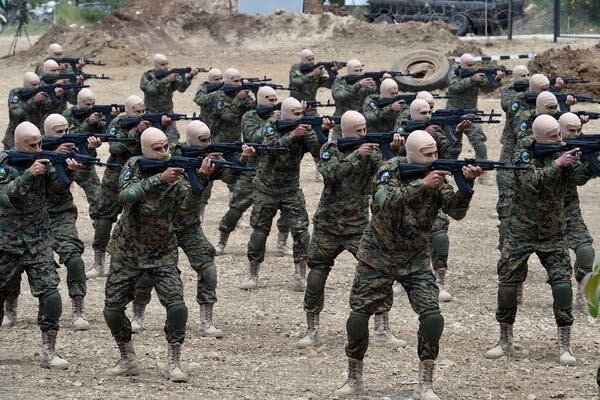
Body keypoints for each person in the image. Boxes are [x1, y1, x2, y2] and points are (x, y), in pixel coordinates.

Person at [335, 130, 482, 399]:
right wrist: (423, 184)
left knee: (432, 316)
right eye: (427, 154)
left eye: (436, 153)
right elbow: (384, 202)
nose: (434, 158)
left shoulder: (438, 176)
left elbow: (456, 212)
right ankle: (353, 377)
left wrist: (466, 186)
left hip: (414, 258)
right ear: (412, 155)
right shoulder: (388, 169)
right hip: (377, 255)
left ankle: (425, 383)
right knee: (358, 315)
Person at [103, 127, 214, 382]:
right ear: (144, 150)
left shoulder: (179, 171)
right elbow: (126, 195)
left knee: (177, 307)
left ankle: (174, 362)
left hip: (162, 250)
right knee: (112, 309)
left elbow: (188, 208)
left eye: (166, 146)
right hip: (127, 250)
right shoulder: (134, 164)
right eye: (157, 149)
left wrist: (201, 182)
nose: (164, 152)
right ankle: (127, 357)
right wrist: (159, 179)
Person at [485, 114, 595, 366]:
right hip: (520, 230)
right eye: (554, 136)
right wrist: (557, 164)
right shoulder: (523, 151)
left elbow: (579, 177)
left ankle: (564, 344)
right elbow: (527, 182)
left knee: (562, 286)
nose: (560, 139)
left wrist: (591, 162)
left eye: (560, 134)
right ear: (542, 137)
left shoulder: (565, 152)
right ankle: (504, 339)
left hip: (553, 231)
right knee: (508, 285)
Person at [129, 121, 255, 337]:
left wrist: (241, 159)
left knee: (207, 266)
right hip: (161, 225)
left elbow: (230, 176)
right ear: (192, 141)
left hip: (188, 224)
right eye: (203, 141)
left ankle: (206, 320)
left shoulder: (212, 158)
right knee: (148, 273)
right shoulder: (168, 154)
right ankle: (137, 315)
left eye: (209, 139)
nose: (208, 144)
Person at [297, 110, 405, 349]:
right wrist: (357, 154)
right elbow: (331, 173)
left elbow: (386, 172)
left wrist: (395, 151)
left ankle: (381, 328)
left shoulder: (371, 151)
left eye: (365, 128)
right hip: (328, 225)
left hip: (357, 225)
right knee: (316, 275)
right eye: (358, 130)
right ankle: (312, 329)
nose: (363, 133)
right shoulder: (330, 148)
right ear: (345, 131)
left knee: (378, 271)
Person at [0, 121, 86, 369]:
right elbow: (6, 197)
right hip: (7, 242)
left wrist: (67, 172)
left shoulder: (45, 161)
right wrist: (29, 174)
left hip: (39, 241)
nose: (38, 149)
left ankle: (49, 351)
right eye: (32, 145)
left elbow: (56, 193)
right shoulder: (6, 164)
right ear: (18, 144)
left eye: (40, 144)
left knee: (50, 295)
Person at [243, 97, 331, 291]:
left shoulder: (305, 129)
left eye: (302, 113)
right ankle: (253, 274)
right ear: (284, 114)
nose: (300, 117)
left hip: (291, 189)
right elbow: (270, 148)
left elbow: (318, 150)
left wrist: (323, 131)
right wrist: (292, 135)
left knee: (301, 232)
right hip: (266, 188)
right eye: (296, 114)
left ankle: (300, 275)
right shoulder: (271, 125)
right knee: (259, 232)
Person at [215, 86, 292, 256]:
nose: (274, 103)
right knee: (236, 207)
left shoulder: (281, 118)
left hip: (274, 171)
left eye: (275, 99)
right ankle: (221, 241)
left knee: (287, 210)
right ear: (261, 100)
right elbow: (256, 137)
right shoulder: (249, 116)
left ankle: (282, 243)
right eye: (270, 100)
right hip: (252, 170)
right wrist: (273, 121)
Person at [87, 95, 152, 279]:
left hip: (139, 176)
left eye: (143, 111)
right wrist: (136, 132)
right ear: (128, 111)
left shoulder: (149, 124)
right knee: (104, 218)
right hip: (115, 177)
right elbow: (115, 148)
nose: (141, 115)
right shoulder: (117, 122)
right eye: (137, 112)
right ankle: (99, 263)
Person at [445, 53, 505, 183]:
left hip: (471, 113)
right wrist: (472, 79)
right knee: (453, 144)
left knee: (479, 140)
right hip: (452, 113)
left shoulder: (477, 74)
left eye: (473, 65)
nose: (471, 67)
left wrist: (497, 79)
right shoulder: (453, 73)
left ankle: (482, 172)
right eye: (468, 65)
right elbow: (454, 87)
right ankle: (447, 171)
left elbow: (488, 87)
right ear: (461, 64)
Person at [557, 112, 595, 306]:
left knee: (586, 252)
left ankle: (583, 289)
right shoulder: (535, 147)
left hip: (568, 211)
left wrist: (592, 164)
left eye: (578, 130)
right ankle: (516, 287)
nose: (576, 134)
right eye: (571, 131)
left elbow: (578, 178)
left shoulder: (576, 150)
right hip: (536, 215)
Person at [140, 53, 198, 143]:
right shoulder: (148, 76)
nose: (166, 67)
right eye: (162, 64)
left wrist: (190, 76)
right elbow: (152, 90)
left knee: (173, 139)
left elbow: (182, 88)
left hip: (167, 114)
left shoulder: (170, 75)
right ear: (155, 65)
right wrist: (167, 80)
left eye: (167, 64)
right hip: (151, 114)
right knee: (151, 140)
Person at [288, 48, 342, 115]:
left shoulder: (317, 71)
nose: (312, 61)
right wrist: (313, 74)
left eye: (313, 59)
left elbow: (329, 85)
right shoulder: (296, 68)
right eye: (309, 60)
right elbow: (297, 82)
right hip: (295, 108)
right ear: (302, 60)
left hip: (311, 109)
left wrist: (333, 71)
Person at [3, 72, 47, 150]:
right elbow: (16, 113)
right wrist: (33, 101)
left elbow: (50, 112)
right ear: (25, 85)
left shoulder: (41, 94)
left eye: (38, 84)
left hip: (34, 138)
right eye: (34, 85)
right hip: (14, 139)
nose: (37, 87)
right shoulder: (16, 93)